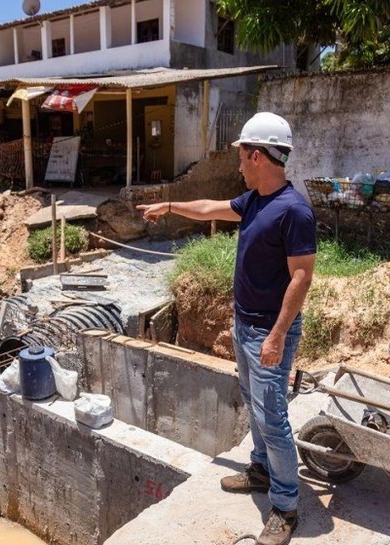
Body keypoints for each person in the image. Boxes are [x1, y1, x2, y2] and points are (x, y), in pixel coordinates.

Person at [137, 112, 316, 545]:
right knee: (256, 408)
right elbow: (209, 209)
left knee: (273, 418)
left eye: (241, 156)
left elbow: (302, 278)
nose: (238, 164)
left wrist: (275, 336)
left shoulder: (294, 211)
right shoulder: (255, 200)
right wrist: (171, 204)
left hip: (269, 333)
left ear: (257, 155)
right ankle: (259, 470)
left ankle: (286, 507)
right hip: (245, 327)